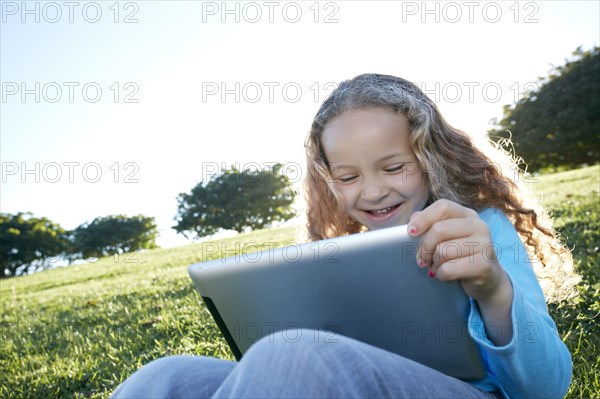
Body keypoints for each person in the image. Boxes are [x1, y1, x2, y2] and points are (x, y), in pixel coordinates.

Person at [111, 74, 578, 399]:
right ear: (327, 181)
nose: (373, 191)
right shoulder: (338, 257)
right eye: (348, 176)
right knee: (167, 378)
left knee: (291, 355)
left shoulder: (482, 229)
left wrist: (494, 289)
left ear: (431, 157)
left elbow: (545, 388)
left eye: (394, 167)